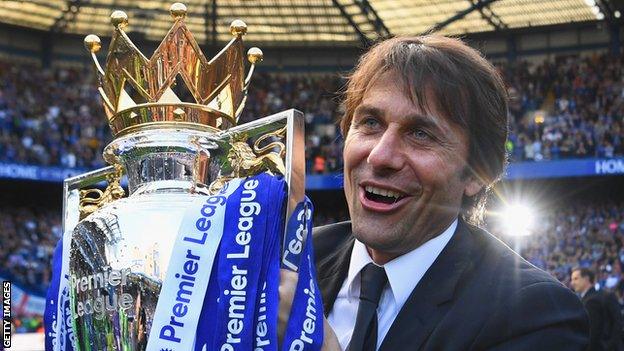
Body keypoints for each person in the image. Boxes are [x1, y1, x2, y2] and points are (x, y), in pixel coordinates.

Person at [280, 35, 589, 350]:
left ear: (477, 172)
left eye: (419, 133)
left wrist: (318, 343)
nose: (379, 156)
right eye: (370, 122)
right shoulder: (291, 260)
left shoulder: (533, 315)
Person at [571, 267, 623, 351]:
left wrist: (609, 346)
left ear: (586, 278)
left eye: (576, 279)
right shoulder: (584, 300)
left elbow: (617, 323)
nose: (572, 283)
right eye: (572, 279)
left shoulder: (603, 297)